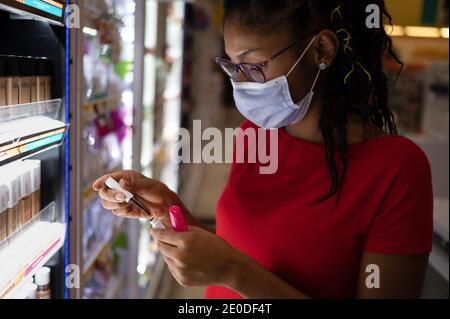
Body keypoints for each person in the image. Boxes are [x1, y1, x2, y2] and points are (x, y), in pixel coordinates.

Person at [93, 0, 433, 299]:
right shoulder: (255, 135)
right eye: (232, 67)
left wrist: (232, 270)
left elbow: (240, 268)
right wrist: (171, 211)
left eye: (253, 66)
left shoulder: (397, 169)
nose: (240, 84)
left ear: (322, 50)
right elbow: (250, 250)